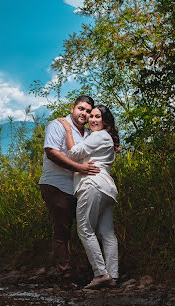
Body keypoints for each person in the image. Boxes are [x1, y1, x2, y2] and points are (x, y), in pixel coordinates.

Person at [39, 96, 100, 284]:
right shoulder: (58, 125)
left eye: (88, 111)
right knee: (62, 230)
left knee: (88, 228)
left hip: (79, 187)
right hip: (57, 185)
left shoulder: (88, 133)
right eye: (81, 109)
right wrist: (79, 168)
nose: (85, 113)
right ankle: (65, 275)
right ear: (72, 108)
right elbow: (51, 152)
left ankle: (91, 272)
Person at [58, 104, 120, 289]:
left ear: (105, 120)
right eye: (91, 116)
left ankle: (101, 274)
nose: (93, 120)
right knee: (107, 234)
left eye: (97, 117)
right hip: (107, 188)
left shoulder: (99, 135)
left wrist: (69, 130)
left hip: (92, 184)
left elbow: (74, 153)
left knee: (85, 229)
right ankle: (113, 275)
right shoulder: (106, 137)